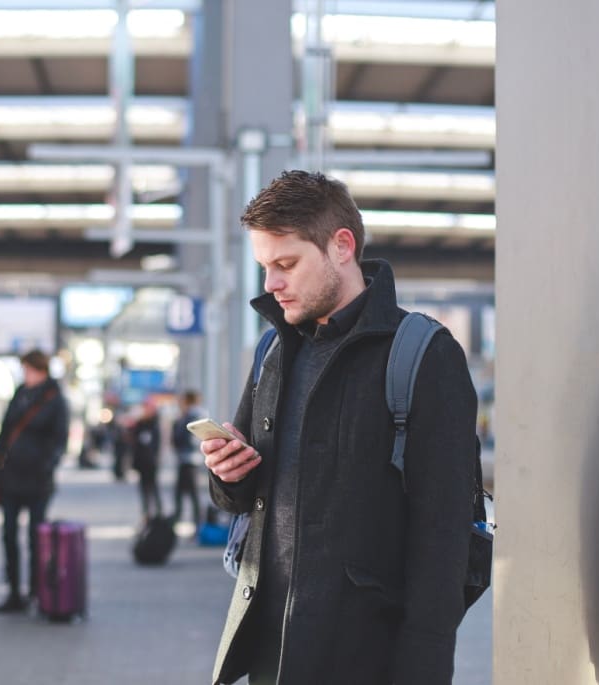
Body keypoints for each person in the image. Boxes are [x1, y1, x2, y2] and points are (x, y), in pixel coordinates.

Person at [202, 171, 478, 685]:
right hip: (270, 653)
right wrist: (227, 473)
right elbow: (239, 499)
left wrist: (424, 669)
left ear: (342, 246)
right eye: (264, 267)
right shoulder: (274, 351)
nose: (271, 284)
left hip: (366, 658)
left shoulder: (423, 355)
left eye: (285, 264)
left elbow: (443, 541)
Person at [0, 349, 68, 613]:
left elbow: (59, 439)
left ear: (40, 370)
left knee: (37, 537)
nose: (25, 375)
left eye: (28, 370)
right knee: (9, 534)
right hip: (11, 477)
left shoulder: (55, 399)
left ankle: (37, 590)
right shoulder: (20, 394)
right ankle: (13, 591)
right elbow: (6, 429)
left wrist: (47, 466)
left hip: (37, 479)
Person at [170, 389, 204, 528]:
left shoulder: (193, 416)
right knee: (181, 493)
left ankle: (197, 526)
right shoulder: (187, 415)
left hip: (191, 460)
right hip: (185, 459)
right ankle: (177, 523)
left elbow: (191, 439)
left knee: (192, 494)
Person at [130, 397, 162, 520]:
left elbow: (158, 444)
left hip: (151, 462)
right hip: (141, 462)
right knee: (143, 490)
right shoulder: (139, 424)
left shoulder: (155, 424)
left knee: (153, 488)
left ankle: (158, 515)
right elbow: (134, 443)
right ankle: (146, 515)